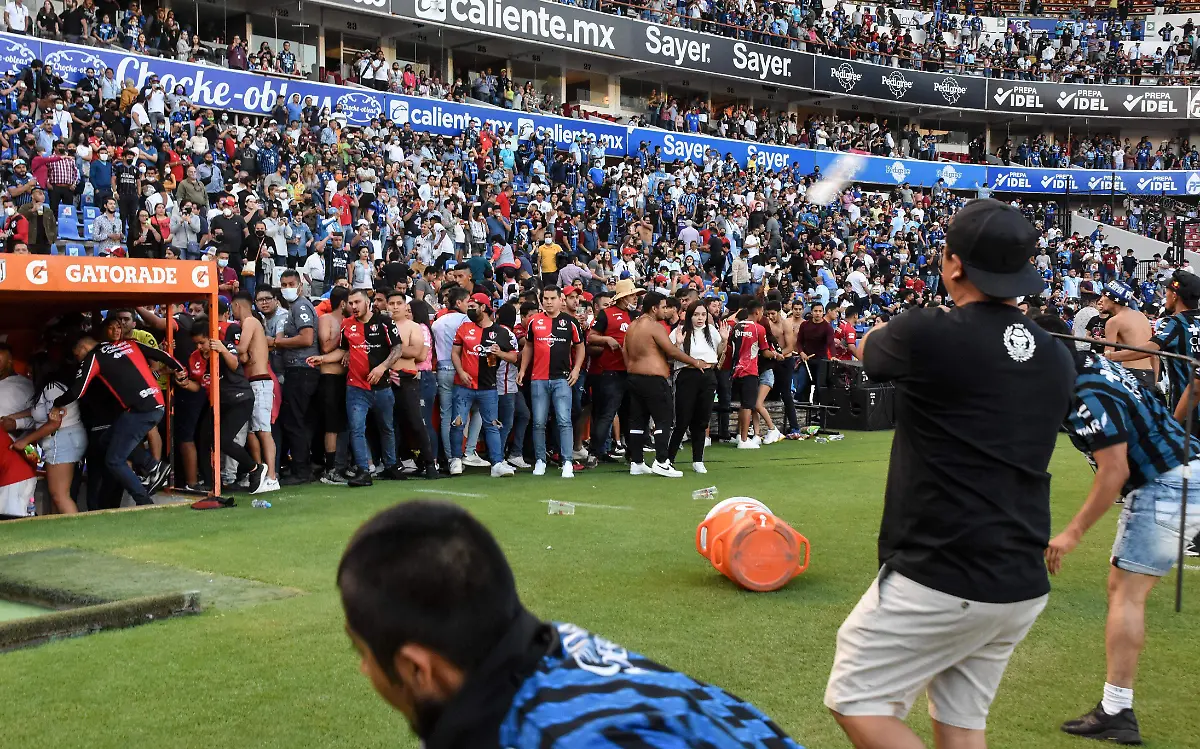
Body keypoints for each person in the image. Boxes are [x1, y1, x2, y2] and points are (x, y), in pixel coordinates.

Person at [824, 199, 1075, 749]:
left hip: (943, 569)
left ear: (954, 264)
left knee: (856, 699)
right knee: (961, 724)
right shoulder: (1057, 356)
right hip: (1019, 578)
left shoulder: (928, 332)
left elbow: (868, 350)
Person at [337, 500, 806, 749]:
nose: (364, 671)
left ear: (418, 670)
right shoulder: (558, 644)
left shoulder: (543, 737)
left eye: (363, 654)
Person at [1034, 315, 1200, 746]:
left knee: (1126, 594)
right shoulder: (1099, 366)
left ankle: (1117, 711)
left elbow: (1114, 470)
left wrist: (1071, 533)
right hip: (1185, 470)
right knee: (1121, 589)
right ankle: (1116, 709)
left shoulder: (1083, 390)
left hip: (1163, 482)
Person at [52, 330, 186, 507]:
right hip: (156, 404)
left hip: (140, 411)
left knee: (114, 460)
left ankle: (144, 501)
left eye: (78, 356)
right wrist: (180, 369)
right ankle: (152, 466)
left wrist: (56, 403)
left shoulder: (94, 357)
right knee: (105, 439)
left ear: (83, 348)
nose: (79, 361)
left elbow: (78, 390)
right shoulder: (129, 343)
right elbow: (161, 354)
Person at [307, 288, 407, 487]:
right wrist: (323, 358)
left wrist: (382, 367)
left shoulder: (385, 322)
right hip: (356, 387)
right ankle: (363, 471)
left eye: (357, 302)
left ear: (367, 302)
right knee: (356, 429)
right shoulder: (347, 325)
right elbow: (343, 350)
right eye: (350, 303)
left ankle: (390, 465)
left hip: (382, 385)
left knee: (386, 427)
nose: (353, 306)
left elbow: (398, 348)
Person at [623, 291, 709, 478]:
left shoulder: (632, 326)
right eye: (663, 307)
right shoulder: (654, 326)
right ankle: (662, 462)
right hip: (653, 380)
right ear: (654, 308)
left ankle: (636, 462)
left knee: (638, 421)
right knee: (664, 420)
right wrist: (694, 362)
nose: (666, 310)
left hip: (634, 377)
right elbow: (671, 351)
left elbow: (625, 351)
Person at [174, 314, 262, 491]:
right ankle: (209, 483)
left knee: (223, 439)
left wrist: (222, 349)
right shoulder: (194, 357)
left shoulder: (223, 346)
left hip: (240, 399)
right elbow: (198, 386)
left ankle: (255, 468)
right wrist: (184, 383)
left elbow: (235, 364)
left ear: (210, 337)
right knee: (204, 439)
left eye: (202, 343)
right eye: (196, 343)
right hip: (218, 402)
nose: (199, 347)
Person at [518, 286, 584, 478]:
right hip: (538, 378)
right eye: (545, 298)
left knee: (564, 421)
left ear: (560, 299)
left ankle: (567, 462)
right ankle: (540, 460)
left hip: (562, 378)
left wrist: (577, 369)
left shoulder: (570, 322)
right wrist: (523, 369)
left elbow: (580, 347)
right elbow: (529, 347)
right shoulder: (533, 322)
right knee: (538, 422)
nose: (548, 302)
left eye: (552, 298)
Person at [449, 293, 518, 478]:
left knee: (492, 425)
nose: (470, 309)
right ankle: (455, 459)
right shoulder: (464, 328)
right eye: (469, 305)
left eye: (474, 305)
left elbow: (514, 357)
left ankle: (496, 463)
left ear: (485, 307)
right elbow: (455, 353)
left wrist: (500, 353)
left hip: (488, 386)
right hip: (464, 384)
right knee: (458, 422)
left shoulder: (502, 332)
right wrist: (461, 372)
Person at [273, 270, 320, 485]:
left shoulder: (300, 306)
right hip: (302, 369)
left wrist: (277, 342)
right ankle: (305, 465)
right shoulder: (294, 307)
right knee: (300, 420)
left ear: (300, 285)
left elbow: (306, 337)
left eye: (291, 283)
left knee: (294, 420)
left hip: (301, 369)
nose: (287, 287)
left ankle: (301, 470)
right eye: (283, 284)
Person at [384, 290, 437, 480]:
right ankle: (392, 464)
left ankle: (430, 463)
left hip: (407, 379)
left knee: (416, 422)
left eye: (399, 303)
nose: (395, 307)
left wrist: (392, 347)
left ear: (406, 306)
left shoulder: (414, 326)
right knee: (389, 425)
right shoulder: (380, 325)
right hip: (385, 379)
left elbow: (419, 353)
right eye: (392, 303)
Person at [230, 291, 279, 495]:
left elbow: (241, 349)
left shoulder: (249, 321)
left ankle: (272, 477)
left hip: (260, 382)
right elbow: (243, 356)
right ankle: (258, 473)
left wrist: (229, 347)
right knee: (251, 432)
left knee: (263, 431)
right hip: (252, 383)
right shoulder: (251, 323)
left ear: (237, 306)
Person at [668, 299, 724, 473]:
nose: (700, 318)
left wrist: (724, 340)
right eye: (696, 314)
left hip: (708, 375)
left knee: (702, 419)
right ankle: (669, 458)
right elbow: (671, 356)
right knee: (683, 419)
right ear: (690, 315)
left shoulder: (711, 331)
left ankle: (698, 459)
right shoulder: (680, 331)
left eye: (703, 314)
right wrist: (678, 344)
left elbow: (719, 352)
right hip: (687, 374)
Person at [587, 279, 638, 465]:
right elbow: (591, 337)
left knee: (630, 415)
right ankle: (594, 452)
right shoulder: (606, 314)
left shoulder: (635, 316)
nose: (635, 298)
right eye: (632, 295)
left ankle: (633, 454)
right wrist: (607, 339)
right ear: (623, 297)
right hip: (611, 372)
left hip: (631, 371)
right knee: (607, 414)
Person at [315, 286, 351, 485]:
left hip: (346, 379)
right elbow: (326, 346)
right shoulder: (326, 320)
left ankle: (342, 464)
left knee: (343, 424)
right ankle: (329, 469)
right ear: (343, 303)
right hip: (328, 377)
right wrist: (346, 337)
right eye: (350, 302)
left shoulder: (350, 322)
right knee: (331, 426)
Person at [1099, 280, 1157, 389]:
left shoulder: (1114, 321)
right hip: (1149, 374)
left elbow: (1108, 358)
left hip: (1132, 374)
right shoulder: (1141, 316)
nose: (1100, 300)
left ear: (1113, 300)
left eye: (1103, 296)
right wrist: (1156, 381)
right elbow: (1154, 353)